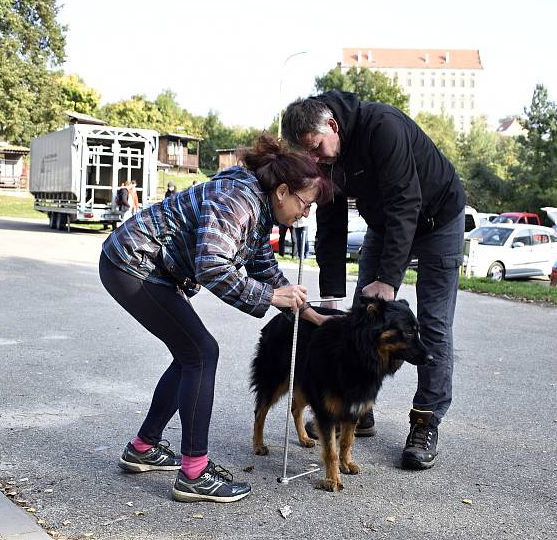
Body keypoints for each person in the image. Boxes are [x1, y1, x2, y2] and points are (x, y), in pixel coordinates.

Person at [99, 133, 332, 503]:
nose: (305, 214)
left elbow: (262, 264)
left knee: (191, 353)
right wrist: (270, 297)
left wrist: (308, 312)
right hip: (131, 263)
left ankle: (143, 447)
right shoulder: (238, 199)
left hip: (151, 269)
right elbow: (212, 265)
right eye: (305, 205)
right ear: (283, 191)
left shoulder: (260, 205)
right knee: (202, 353)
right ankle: (194, 473)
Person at [282, 91, 466, 471]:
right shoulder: (325, 157)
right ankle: (357, 408)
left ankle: (425, 421)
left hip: (437, 220)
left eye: (316, 149)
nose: (314, 160)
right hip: (387, 225)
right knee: (360, 317)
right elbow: (331, 223)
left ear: (332, 126)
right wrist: (331, 293)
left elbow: (405, 202)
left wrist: (387, 279)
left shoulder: (383, 127)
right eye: (308, 155)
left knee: (431, 326)